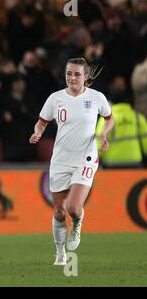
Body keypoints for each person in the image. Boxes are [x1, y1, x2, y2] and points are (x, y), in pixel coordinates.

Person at [29, 58, 114, 266]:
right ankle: (60, 254)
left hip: (85, 158)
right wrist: (37, 133)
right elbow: (41, 122)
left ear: (85, 76)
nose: (72, 78)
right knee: (59, 211)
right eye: (69, 73)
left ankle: (77, 224)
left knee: (74, 208)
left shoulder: (96, 98)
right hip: (60, 160)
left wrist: (103, 134)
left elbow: (109, 117)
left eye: (77, 74)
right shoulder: (55, 98)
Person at [96, 89, 147, 167]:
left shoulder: (105, 119)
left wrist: (97, 158)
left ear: (110, 102)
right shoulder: (137, 117)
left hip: (111, 162)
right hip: (134, 161)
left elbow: (99, 141)